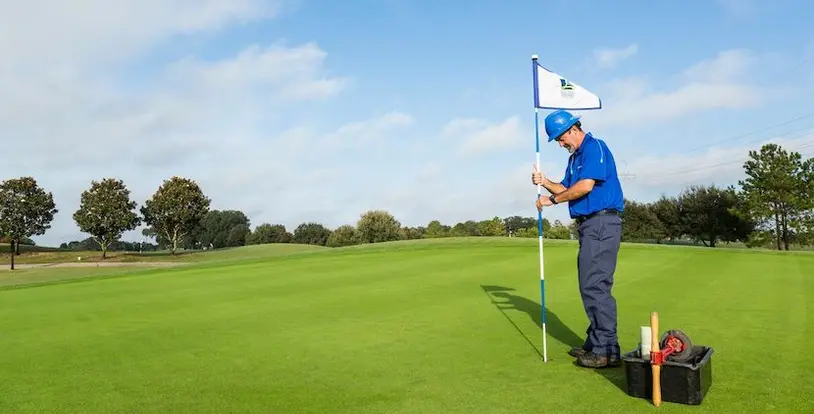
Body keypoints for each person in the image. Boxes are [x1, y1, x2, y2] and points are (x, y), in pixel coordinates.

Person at [531, 109, 624, 368]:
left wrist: (551, 200)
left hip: (602, 222)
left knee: (595, 285)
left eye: (561, 139)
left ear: (573, 129)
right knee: (589, 284)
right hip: (590, 226)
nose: (560, 144)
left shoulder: (595, 147)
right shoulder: (575, 158)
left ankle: (606, 350)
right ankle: (596, 342)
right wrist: (545, 182)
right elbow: (566, 187)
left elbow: (584, 187)